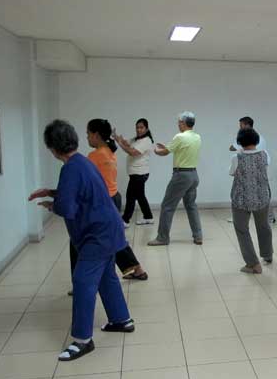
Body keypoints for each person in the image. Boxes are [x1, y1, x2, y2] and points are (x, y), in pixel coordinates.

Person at [29, 120, 134, 361]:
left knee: (83, 279)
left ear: (53, 149)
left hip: (97, 235)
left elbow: (67, 207)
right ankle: (122, 319)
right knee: (106, 276)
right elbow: (78, 193)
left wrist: (53, 204)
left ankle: (82, 340)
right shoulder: (82, 163)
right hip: (108, 230)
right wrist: (50, 192)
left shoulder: (71, 168)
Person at [84, 119, 147, 280]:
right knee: (112, 238)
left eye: (88, 134)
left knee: (111, 239)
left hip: (104, 201)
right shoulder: (109, 151)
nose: (87, 137)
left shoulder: (95, 155)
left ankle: (135, 270)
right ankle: (135, 269)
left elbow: (86, 182)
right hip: (113, 197)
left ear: (96, 135)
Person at [148, 112, 203, 246]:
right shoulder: (197, 137)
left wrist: (156, 151)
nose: (178, 124)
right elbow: (180, 149)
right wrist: (166, 147)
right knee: (191, 206)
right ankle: (198, 236)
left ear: (183, 123)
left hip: (181, 176)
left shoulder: (179, 136)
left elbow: (165, 152)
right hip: (194, 175)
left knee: (167, 206)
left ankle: (162, 238)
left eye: (179, 122)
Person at [230, 128, 273, 274]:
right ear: (257, 140)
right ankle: (267, 255)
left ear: (240, 142)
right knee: (264, 226)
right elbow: (266, 170)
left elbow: (232, 173)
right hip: (262, 196)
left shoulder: (237, 158)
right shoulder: (264, 154)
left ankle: (253, 264)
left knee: (242, 230)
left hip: (241, 199)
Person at [228, 116, 274, 223]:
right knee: (263, 192)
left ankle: (241, 216)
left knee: (247, 192)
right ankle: (269, 217)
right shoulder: (259, 137)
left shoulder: (246, 137)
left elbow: (231, 148)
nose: (239, 128)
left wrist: (239, 142)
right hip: (261, 168)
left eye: (241, 126)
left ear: (246, 125)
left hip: (249, 167)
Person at [114, 118, 155, 227]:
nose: (139, 129)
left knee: (130, 196)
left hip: (140, 174)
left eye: (141, 127)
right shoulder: (136, 139)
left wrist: (121, 144)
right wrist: (117, 137)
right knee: (140, 196)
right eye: (137, 127)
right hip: (136, 173)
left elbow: (133, 152)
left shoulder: (146, 140)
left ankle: (125, 220)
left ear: (146, 129)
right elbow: (125, 143)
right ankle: (148, 217)